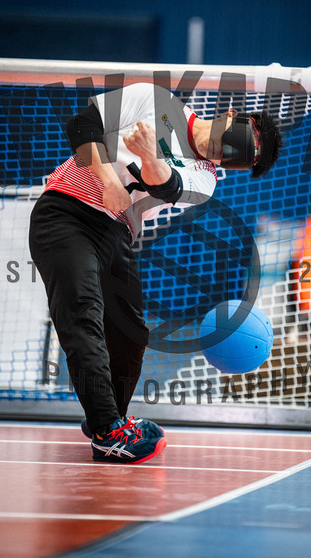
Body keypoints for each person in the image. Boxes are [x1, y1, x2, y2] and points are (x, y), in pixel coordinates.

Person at [28, 82, 282, 464]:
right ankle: (108, 431)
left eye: (246, 161)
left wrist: (150, 154)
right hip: (66, 212)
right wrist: (109, 180)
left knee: (130, 334)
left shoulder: (206, 179)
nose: (233, 155)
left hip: (115, 234)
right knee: (83, 313)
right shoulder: (156, 100)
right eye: (247, 143)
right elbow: (82, 124)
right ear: (232, 117)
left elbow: (168, 186)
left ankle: (105, 416)